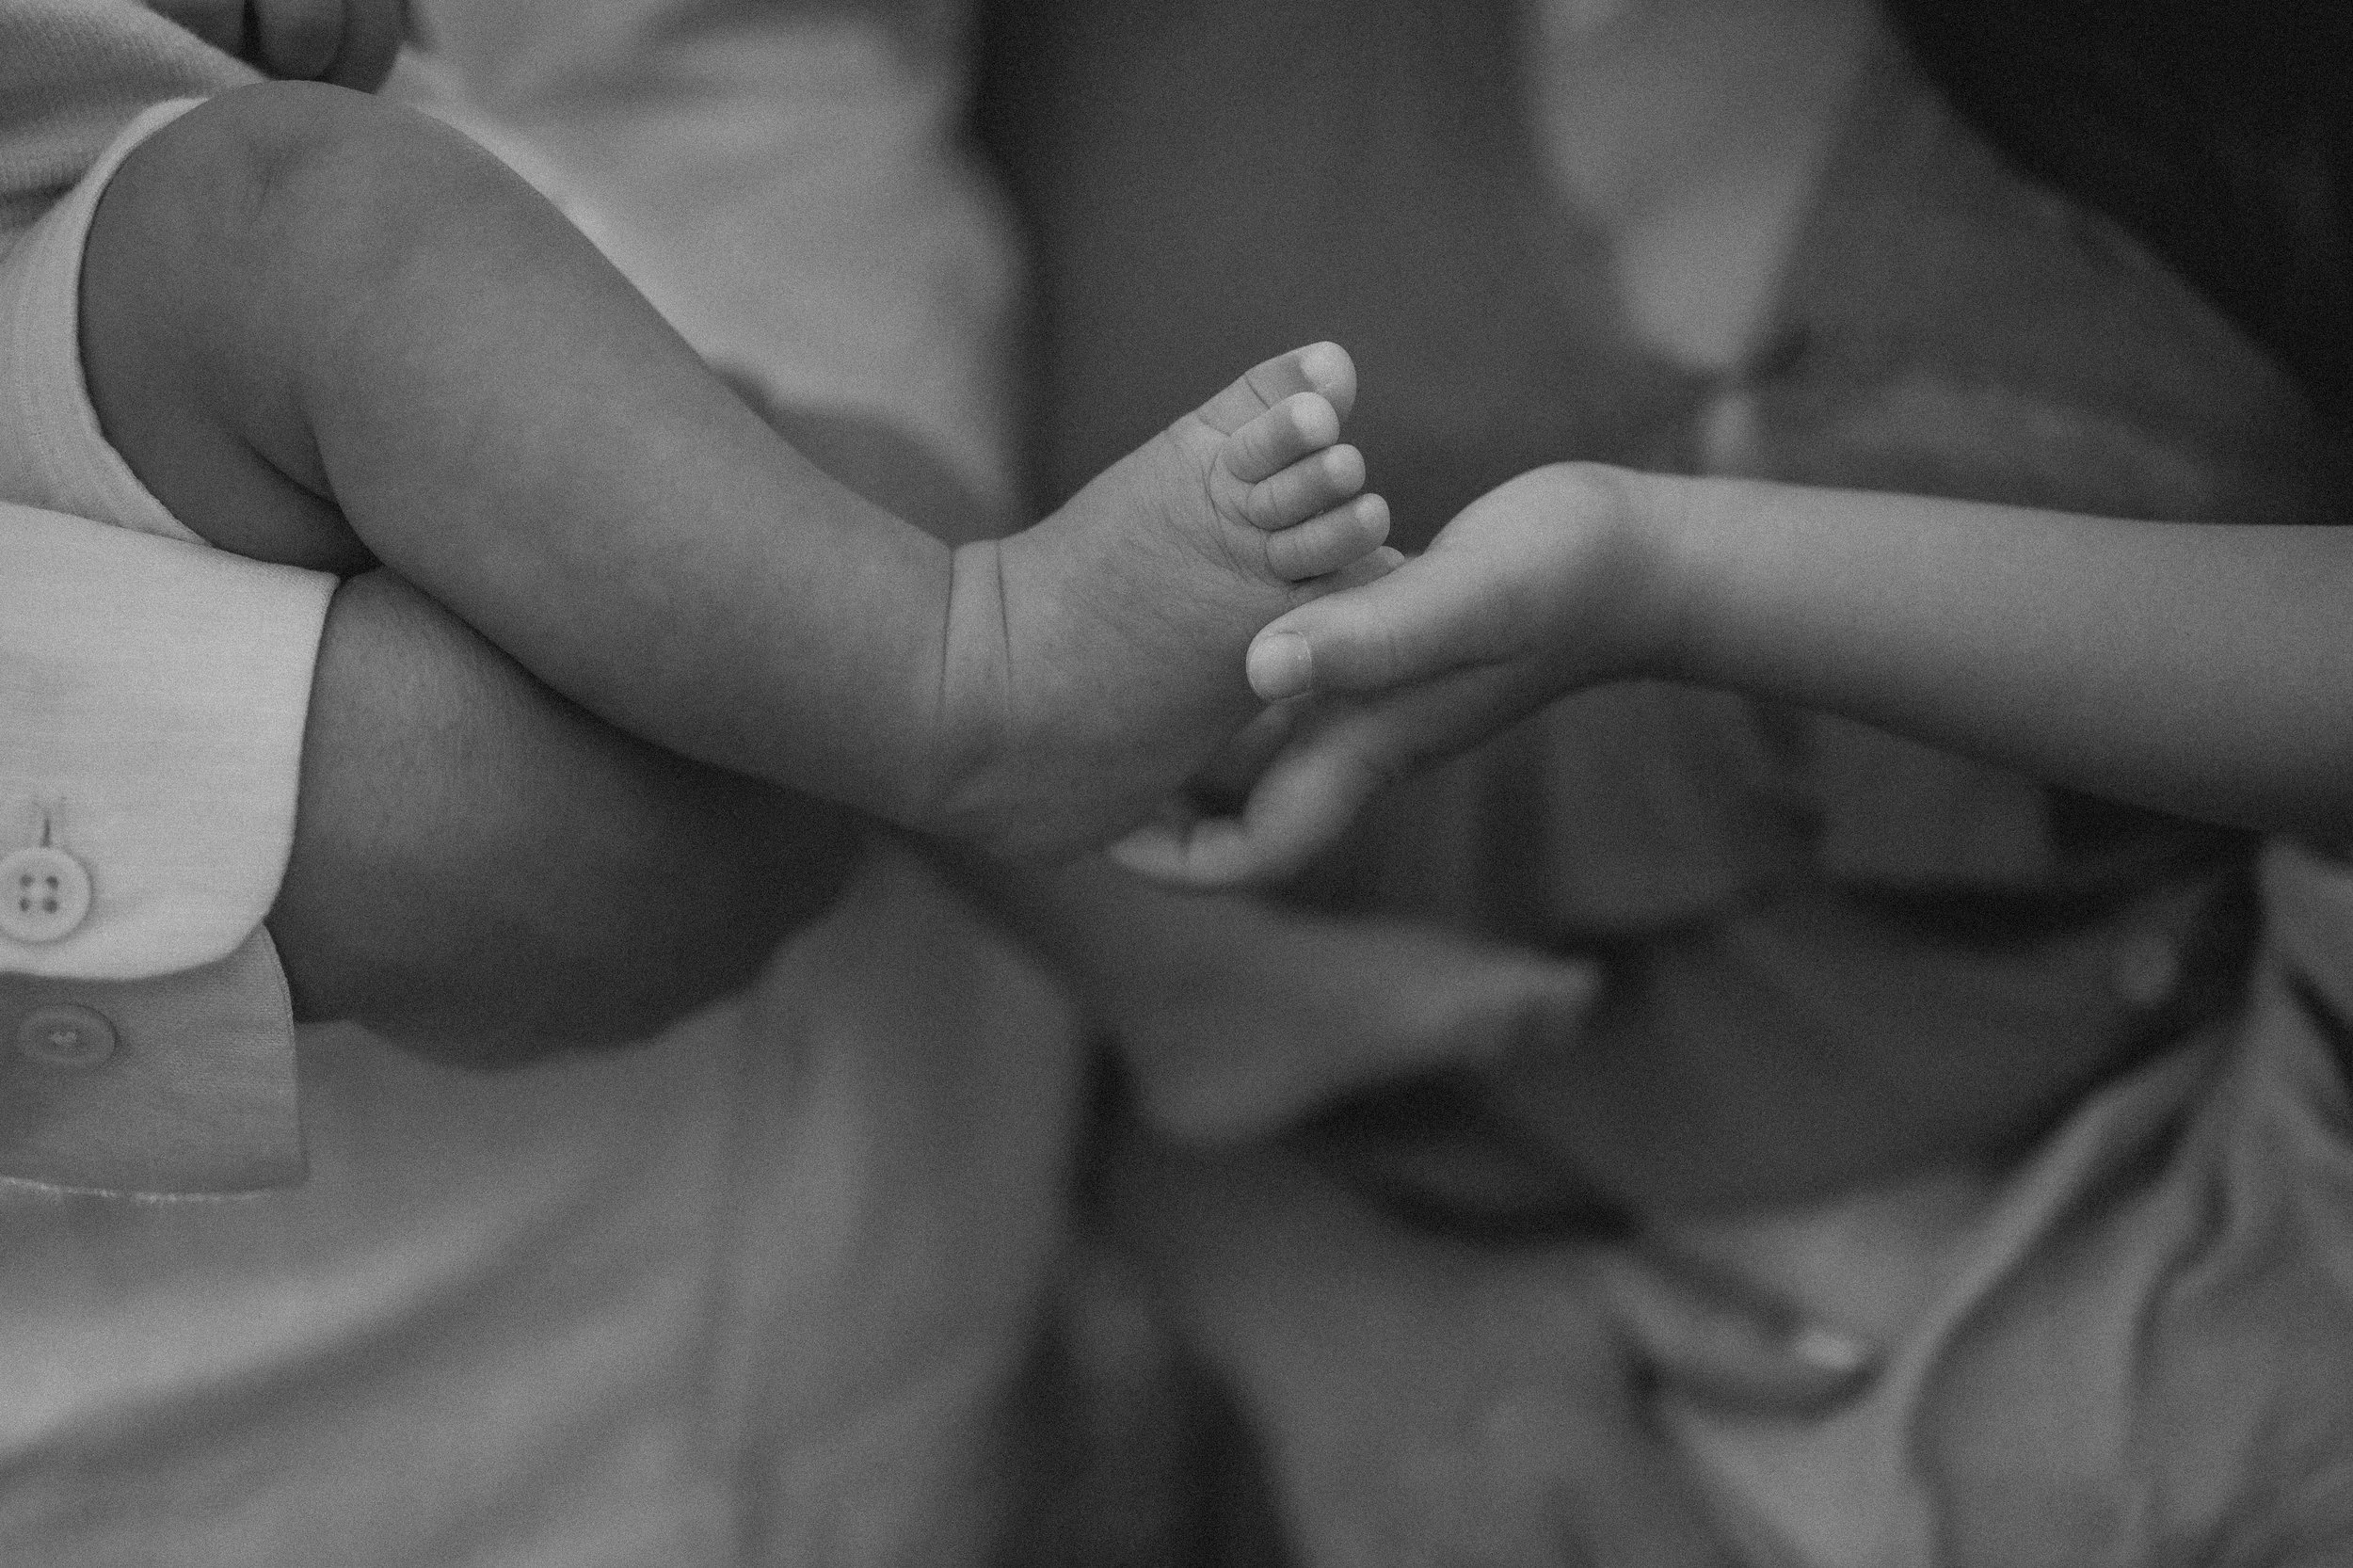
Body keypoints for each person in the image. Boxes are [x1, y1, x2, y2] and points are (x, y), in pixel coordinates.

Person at [981, 0, 2353, 1560]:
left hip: (2100, 1384)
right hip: (1260, 1407)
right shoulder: (997, 66)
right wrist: (1290, 1277)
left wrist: (1668, 578)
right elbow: (854, 717)